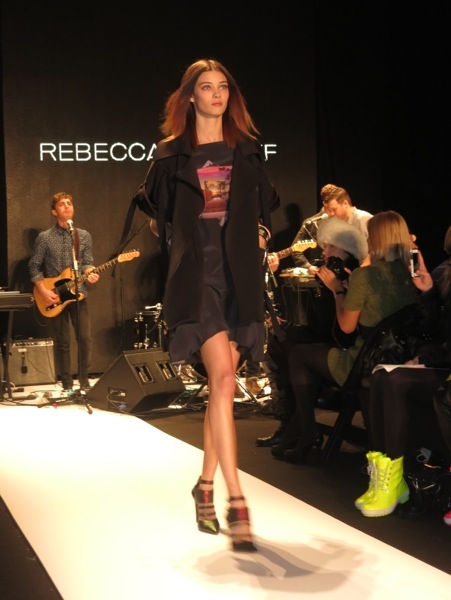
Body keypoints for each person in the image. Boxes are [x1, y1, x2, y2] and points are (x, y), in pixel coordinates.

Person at [131, 58, 280, 552]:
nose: (216, 94)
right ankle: (238, 501)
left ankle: (204, 485)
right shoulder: (172, 154)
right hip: (200, 276)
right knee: (223, 379)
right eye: (206, 86)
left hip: (240, 274)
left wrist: (258, 234)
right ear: (190, 96)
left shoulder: (246, 150)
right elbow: (156, 215)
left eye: (223, 87)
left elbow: (262, 208)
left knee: (222, 385)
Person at [272, 210, 419, 464]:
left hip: (363, 362)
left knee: (298, 355)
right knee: (303, 352)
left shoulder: (365, 276)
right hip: (398, 358)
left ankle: (307, 429)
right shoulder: (407, 274)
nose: (366, 239)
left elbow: (346, 327)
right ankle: (303, 429)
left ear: (378, 238)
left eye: (370, 235)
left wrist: (337, 291)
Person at [355, 224, 451, 518]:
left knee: (395, 379)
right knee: (383, 376)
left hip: (444, 366)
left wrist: (428, 357)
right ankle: (386, 477)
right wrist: (430, 293)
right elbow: (441, 330)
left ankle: (392, 480)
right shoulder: (446, 273)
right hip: (444, 363)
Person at [256, 216, 368, 447]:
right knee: (278, 341)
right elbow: (320, 323)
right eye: (324, 246)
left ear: (347, 250)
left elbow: (344, 332)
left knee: (293, 351)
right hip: (326, 336)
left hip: (345, 346)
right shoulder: (327, 273)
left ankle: (299, 427)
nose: (324, 252)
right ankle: (289, 422)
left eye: (330, 247)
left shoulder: (354, 277)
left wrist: (337, 289)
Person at [28, 192, 100, 392]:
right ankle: (67, 384)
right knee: (63, 342)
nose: (67, 206)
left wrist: (90, 272)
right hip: (55, 295)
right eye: (62, 204)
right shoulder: (44, 238)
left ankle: (84, 383)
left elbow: (87, 263)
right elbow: (34, 266)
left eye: (69, 203)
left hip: (79, 293)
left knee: (85, 339)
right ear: (54, 211)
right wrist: (43, 291)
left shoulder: (83, 235)